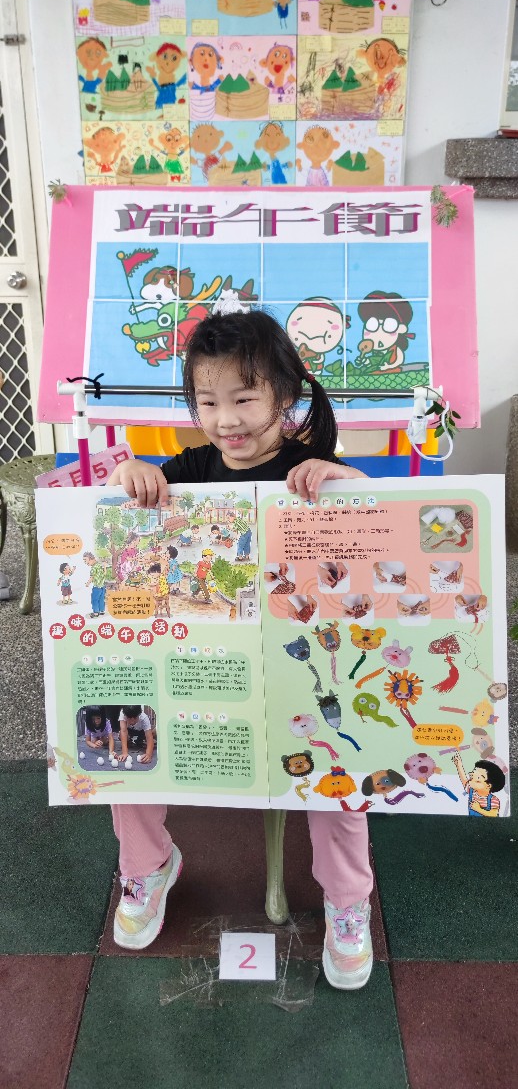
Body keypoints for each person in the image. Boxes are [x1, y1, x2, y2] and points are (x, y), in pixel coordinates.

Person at [108, 309, 372, 989]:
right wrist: (131, 474)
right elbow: (123, 509)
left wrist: (345, 483)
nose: (225, 419)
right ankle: (147, 866)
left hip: (298, 673)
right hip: (201, 668)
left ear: (285, 396)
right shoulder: (190, 468)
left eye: (245, 398)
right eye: (207, 401)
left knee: (338, 768)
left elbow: (376, 527)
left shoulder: (309, 471)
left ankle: (348, 900)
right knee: (124, 733)